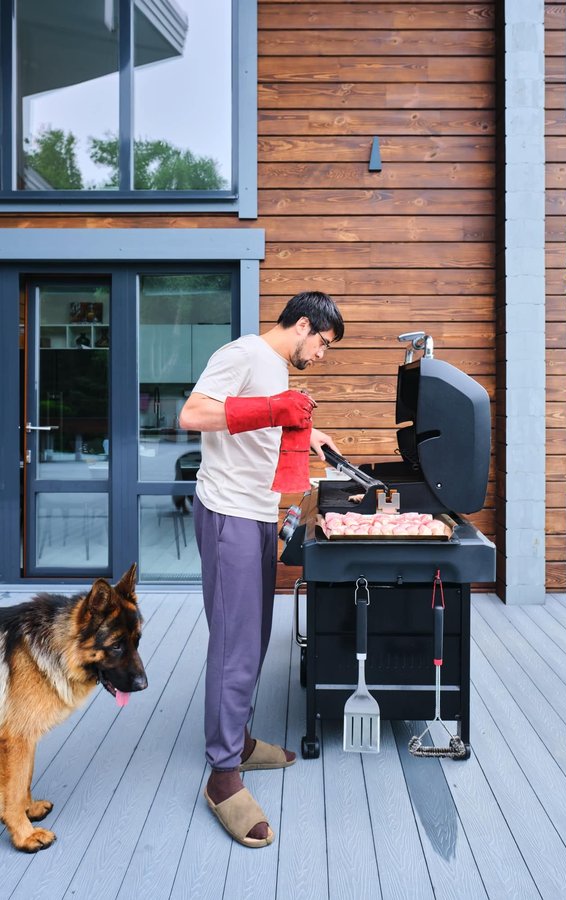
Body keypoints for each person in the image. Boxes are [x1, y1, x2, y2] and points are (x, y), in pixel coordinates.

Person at [179, 291, 344, 848]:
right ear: (303, 324)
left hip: (256, 512)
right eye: (323, 343)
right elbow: (193, 414)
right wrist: (275, 410)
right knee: (234, 643)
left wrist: (307, 434)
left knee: (256, 637)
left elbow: (259, 433)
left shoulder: (274, 368)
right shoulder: (244, 353)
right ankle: (223, 776)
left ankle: (241, 741)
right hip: (226, 511)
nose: (322, 355)